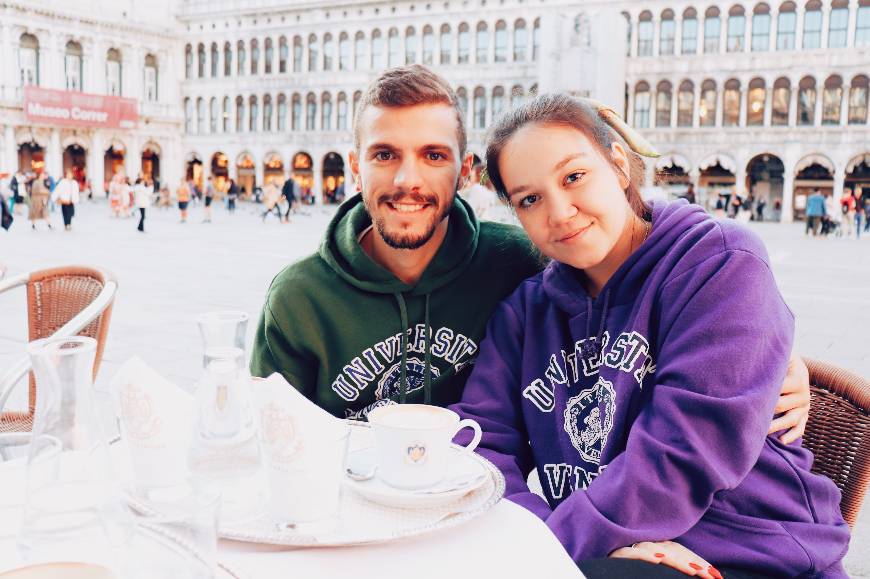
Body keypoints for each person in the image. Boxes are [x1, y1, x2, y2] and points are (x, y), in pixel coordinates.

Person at [251, 65, 810, 431]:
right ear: (355, 167)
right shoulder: (299, 298)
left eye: (433, 155)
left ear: (465, 172)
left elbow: (656, 286)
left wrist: (777, 357)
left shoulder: (521, 263)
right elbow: (263, 436)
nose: (407, 180)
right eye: (383, 155)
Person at [451, 94, 849, 578]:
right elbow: (478, 444)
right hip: (603, 556)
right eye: (529, 199)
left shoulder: (719, 263)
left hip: (752, 551)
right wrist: (549, 535)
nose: (560, 212)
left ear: (618, 165)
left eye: (574, 176)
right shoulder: (525, 311)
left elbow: (685, 453)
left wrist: (549, 548)